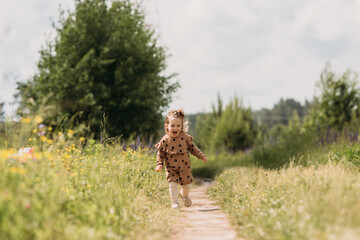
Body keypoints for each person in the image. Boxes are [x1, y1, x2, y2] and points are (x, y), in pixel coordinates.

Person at [155, 108, 207, 209]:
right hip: (171, 168)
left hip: (185, 167)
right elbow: (160, 154)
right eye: (173, 125)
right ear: (167, 126)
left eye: (178, 126)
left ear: (181, 126)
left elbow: (193, 148)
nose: (176, 128)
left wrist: (201, 156)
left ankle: (184, 195)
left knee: (186, 186)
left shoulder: (185, 137)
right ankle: (175, 202)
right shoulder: (165, 140)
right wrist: (159, 164)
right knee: (172, 184)